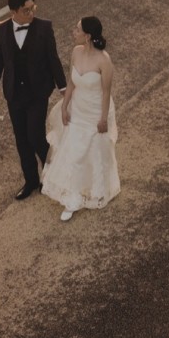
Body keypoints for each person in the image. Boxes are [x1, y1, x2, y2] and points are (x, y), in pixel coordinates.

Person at [0, 0, 66, 201]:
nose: (31, 14)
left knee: (35, 135)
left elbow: (53, 59)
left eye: (33, 9)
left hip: (38, 91)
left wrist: (64, 89)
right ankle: (31, 181)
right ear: (13, 11)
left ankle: (55, 172)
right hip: (14, 93)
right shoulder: (0, 30)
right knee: (21, 139)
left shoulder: (44, 27)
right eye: (25, 10)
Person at [42, 16, 119, 221]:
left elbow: (106, 92)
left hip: (95, 112)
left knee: (93, 153)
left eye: (77, 30)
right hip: (77, 109)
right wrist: (64, 106)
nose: (73, 32)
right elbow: (72, 82)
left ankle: (94, 189)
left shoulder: (104, 60)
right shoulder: (76, 52)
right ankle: (74, 197)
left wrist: (103, 119)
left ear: (88, 36)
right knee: (75, 153)